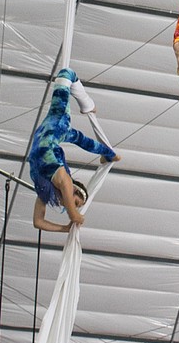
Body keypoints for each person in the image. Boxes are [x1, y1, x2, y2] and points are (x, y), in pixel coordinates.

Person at [29, 68, 118, 229]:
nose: (72, 205)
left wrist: (65, 228)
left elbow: (38, 222)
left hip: (47, 138)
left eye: (75, 205)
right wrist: (74, 215)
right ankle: (88, 104)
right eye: (76, 202)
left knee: (80, 139)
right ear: (75, 189)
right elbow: (66, 184)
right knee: (66, 74)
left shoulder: (48, 188)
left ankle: (88, 105)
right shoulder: (64, 179)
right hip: (55, 127)